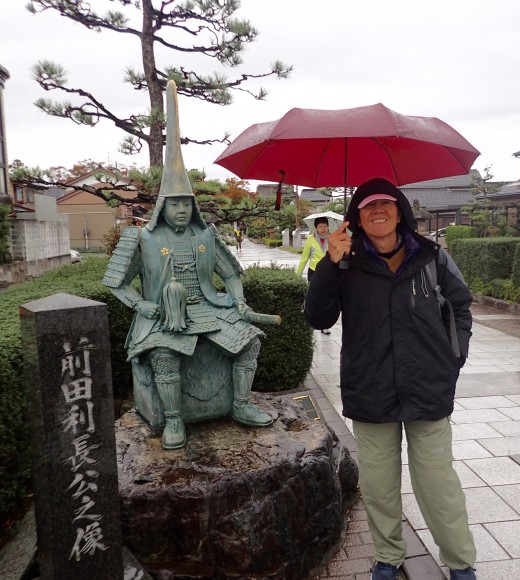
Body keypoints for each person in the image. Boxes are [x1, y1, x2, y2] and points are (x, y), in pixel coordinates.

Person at [303, 178, 477, 580]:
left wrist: (455, 355)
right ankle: (388, 556)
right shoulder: (344, 261)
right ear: (357, 217)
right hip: (371, 387)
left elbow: (461, 306)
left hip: (427, 387)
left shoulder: (431, 257)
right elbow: (318, 317)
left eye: (386, 203)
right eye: (367, 206)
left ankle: (460, 563)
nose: (377, 210)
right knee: (379, 485)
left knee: (438, 485)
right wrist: (329, 263)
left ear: (400, 211)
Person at [102, 80, 273, 451]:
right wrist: (141, 305)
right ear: (162, 204)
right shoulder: (142, 238)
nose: (180, 209)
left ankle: (240, 405)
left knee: (249, 342)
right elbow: (116, 282)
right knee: (164, 355)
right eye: (174, 203)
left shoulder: (206, 235)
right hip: (163, 316)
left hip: (209, 308)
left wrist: (239, 301)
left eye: (186, 203)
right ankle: (174, 420)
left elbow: (230, 273)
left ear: (193, 206)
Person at [297, 216, 331, 335]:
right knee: (313, 298)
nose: (323, 229)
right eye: (320, 226)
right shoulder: (311, 239)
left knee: (327, 300)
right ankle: (311, 320)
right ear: (316, 227)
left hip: (328, 273)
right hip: (314, 272)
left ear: (328, 226)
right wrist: (298, 274)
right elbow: (304, 257)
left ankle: (325, 325)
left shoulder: (332, 238)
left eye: (325, 226)